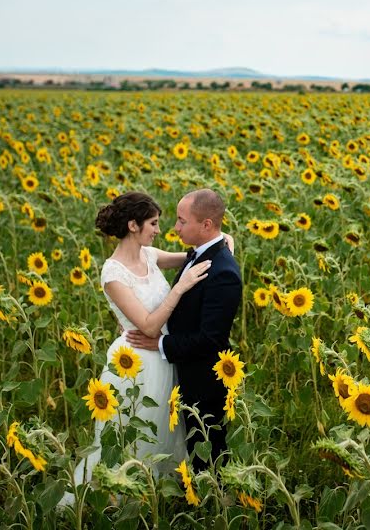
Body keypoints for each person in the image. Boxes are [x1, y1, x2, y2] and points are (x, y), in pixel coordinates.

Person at [61, 191, 227, 506]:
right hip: (133, 365)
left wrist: (222, 238)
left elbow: (195, 255)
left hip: (164, 358)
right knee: (134, 439)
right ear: (133, 225)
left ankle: (157, 504)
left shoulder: (150, 255)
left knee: (165, 437)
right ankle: (114, 505)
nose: (158, 230)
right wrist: (180, 287)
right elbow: (148, 326)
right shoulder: (112, 273)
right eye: (153, 223)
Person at [126, 188, 242, 472]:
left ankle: (216, 508)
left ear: (206, 225)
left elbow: (211, 339)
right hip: (183, 371)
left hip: (204, 379)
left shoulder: (224, 272)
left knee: (209, 451)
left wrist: (162, 345)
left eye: (181, 221)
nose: (175, 228)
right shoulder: (200, 252)